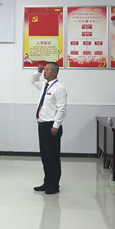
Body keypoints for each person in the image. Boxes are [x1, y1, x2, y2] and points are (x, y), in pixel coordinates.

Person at [31, 62, 68, 195]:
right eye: (44, 70)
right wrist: (38, 71)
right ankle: (47, 182)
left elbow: (62, 109)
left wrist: (56, 126)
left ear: (54, 72)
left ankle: (54, 185)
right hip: (42, 125)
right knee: (45, 156)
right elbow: (33, 80)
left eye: (47, 70)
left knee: (53, 157)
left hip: (51, 127)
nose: (44, 72)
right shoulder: (45, 86)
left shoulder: (59, 88)